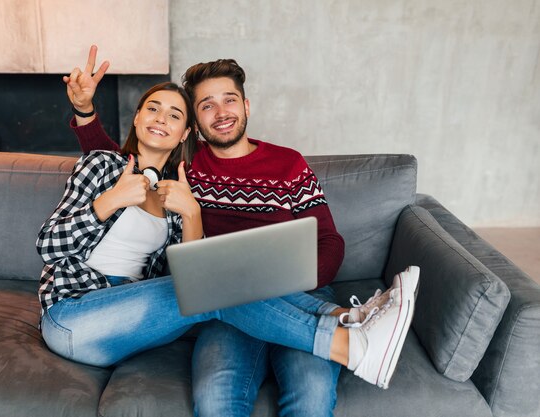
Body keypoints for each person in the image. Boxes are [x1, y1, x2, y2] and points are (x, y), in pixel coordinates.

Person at [65, 46, 420, 415]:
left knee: (312, 395)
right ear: (194, 125)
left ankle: (347, 327)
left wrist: (290, 282)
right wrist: (85, 111)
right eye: (206, 105)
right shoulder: (185, 165)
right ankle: (351, 320)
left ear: (246, 107)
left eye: (229, 100)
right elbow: (122, 167)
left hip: (299, 291)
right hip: (224, 303)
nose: (221, 113)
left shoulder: (289, 164)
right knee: (215, 399)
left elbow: (329, 240)